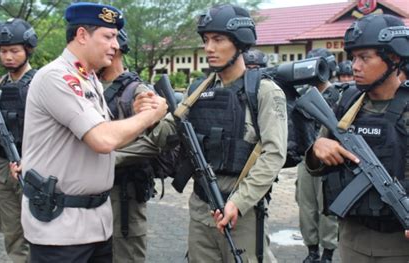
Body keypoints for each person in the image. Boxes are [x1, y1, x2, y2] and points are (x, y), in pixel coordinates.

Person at [138, 4, 287, 262]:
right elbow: (165, 134)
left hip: (243, 213)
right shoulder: (197, 91)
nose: (209, 48)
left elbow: (274, 155)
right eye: (206, 40)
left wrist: (238, 202)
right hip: (200, 209)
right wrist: (148, 116)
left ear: (240, 42)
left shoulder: (264, 92)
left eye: (218, 40)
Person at [20, 2, 167, 262]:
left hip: (94, 224)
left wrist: (135, 111)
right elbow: (102, 139)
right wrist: (149, 116)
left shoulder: (88, 80)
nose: (115, 45)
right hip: (60, 228)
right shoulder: (57, 77)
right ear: (82, 35)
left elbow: (105, 131)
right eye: (108, 37)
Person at [306, 14, 409, 262]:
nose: (354, 66)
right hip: (352, 238)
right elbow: (315, 166)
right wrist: (317, 148)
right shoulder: (347, 102)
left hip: (399, 244)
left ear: (393, 58)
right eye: (353, 57)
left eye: (365, 57)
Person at [99, 29, 156, 263]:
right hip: (91, 192)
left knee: (126, 256)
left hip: (124, 192)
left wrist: (111, 157)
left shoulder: (138, 91)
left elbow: (155, 142)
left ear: (117, 48)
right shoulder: (87, 87)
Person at [0, 18, 38, 262]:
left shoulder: (41, 83)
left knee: (40, 232)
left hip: (36, 165)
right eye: (3, 51)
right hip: (5, 167)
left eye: (14, 51)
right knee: (12, 232)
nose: (8, 57)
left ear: (28, 50)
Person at [295, 48, 339, 263]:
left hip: (330, 164)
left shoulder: (339, 96)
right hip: (306, 161)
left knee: (328, 210)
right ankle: (312, 251)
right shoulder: (302, 95)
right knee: (306, 207)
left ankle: (328, 253)